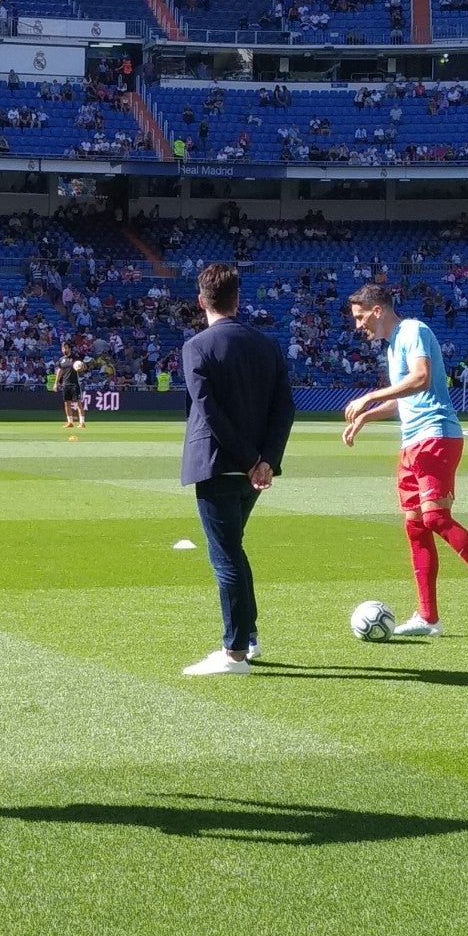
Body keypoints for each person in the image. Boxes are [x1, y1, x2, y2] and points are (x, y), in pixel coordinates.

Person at [342, 283, 468, 637]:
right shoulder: (393, 346)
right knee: (415, 527)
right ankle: (428, 617)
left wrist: (368, 397)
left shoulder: (414, 330)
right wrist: (368, 415)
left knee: (436, 517)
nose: (358, 326)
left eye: (361, 317)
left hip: (436, 435)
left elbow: (421, 379)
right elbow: (403, 400)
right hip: (412, 441)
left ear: (377, 310)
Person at [179, 264, 295, 677]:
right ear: (237, 299)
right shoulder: (267, 345)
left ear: (201, 301)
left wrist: (250, 460)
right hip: (254, 472)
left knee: (225, 555)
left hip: (217, 465)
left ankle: (235, 652)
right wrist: (265, 459)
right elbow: (285, 408)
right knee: (234, 549)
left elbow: (209, 413)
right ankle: (248, 636)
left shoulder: (196, 346)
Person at [55, 341, 86, 428]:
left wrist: (81, 368)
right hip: (65, 384)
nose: (64, 350)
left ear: (70, 349)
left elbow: (83, 368)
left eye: (66, 348)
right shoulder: (61, 360)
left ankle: (82, 422)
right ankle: (70, 422)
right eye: (63, 348)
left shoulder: (75, 359)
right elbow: (60, 371)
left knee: (78, 403)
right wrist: (56, 383)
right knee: (66, 403)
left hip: (74, 384)